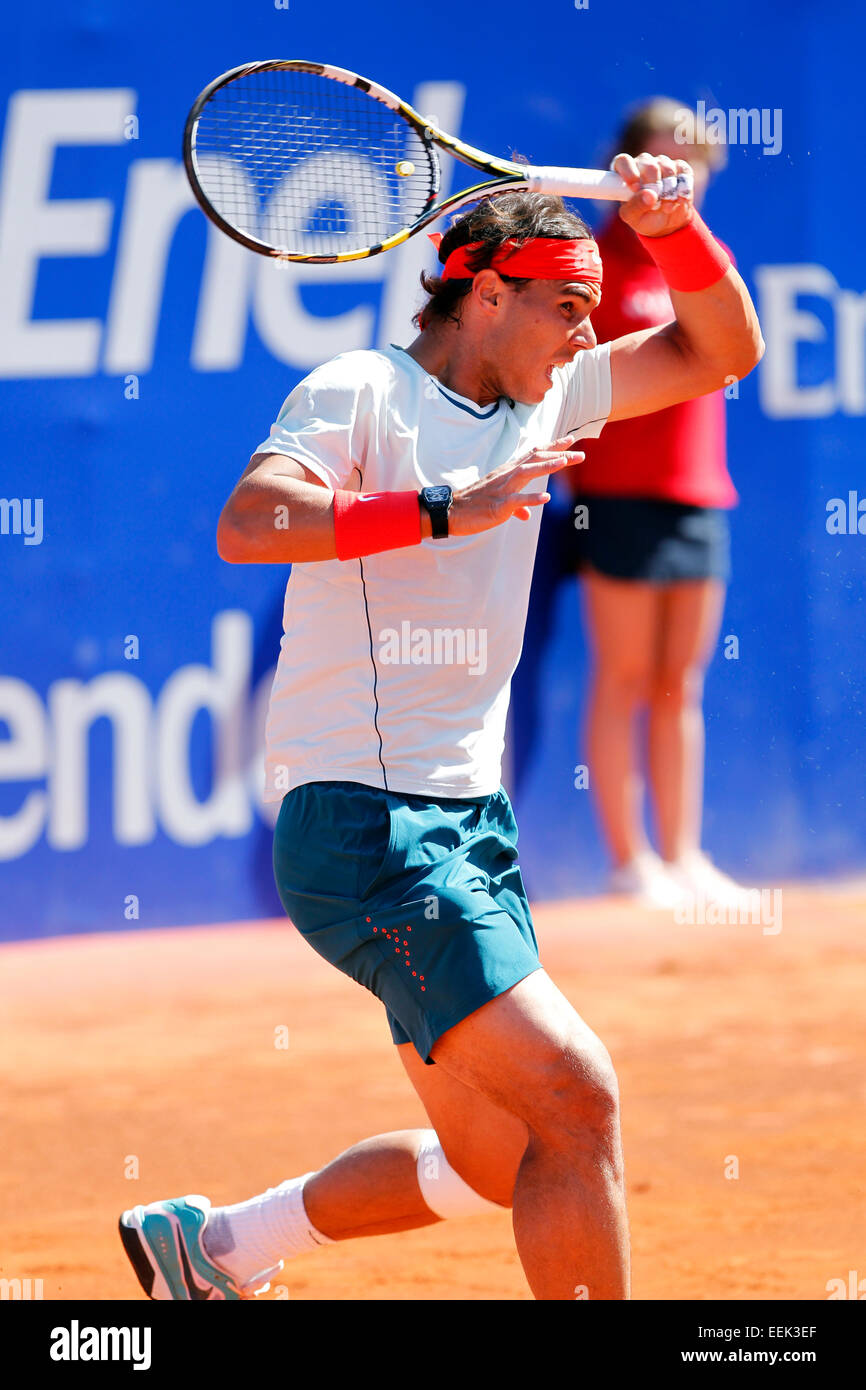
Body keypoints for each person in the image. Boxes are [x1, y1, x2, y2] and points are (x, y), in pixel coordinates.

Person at [119, 149, 763, 1302]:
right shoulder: (358, 389)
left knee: (497, 1160)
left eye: (591, 314)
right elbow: (252, 520)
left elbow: (722, 351)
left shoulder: (552, 391)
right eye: (566, 309)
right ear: (484, 294)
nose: (583, 335)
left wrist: (674, 231)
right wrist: (437, 510)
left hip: (468, 823)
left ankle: (215, 1247)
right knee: (576, 1096)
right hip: (365, 823)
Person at [566, 99, 743, 909]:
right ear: (625, 169)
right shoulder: (590, 266)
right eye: (669, 157)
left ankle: (685, 856)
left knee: (682, 683)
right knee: (626, 675)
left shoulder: (707, 262)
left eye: (695, 163)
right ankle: (630, 863)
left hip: (699, 495)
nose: (684, 175)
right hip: (615, 499)